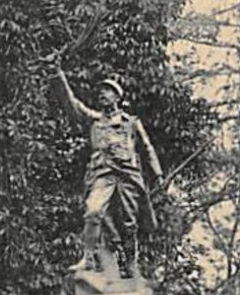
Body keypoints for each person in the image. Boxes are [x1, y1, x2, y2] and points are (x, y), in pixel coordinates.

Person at [56, 66, 163, 277]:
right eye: (101, 91)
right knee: (93, 211)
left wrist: (157, 174)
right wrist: (57, 75)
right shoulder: (95, 120)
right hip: (102, 174)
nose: (102, 94)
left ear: (117, 96)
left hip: (128, 175)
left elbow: (147, 147)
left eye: (107, 91)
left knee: (129, 224)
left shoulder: (131, 123)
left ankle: (132, 263)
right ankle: (87, 258)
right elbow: (72, 104)